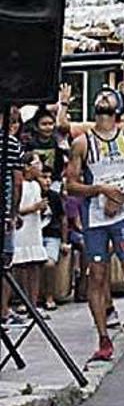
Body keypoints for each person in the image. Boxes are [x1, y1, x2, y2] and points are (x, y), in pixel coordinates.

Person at [66, 89, 124, 364]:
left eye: (109, 95)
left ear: (119, 106)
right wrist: (100, 189)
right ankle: (103, 339)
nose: (104, 97)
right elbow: (70, 184)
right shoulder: (82, 142)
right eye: (101, 94)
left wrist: (122, 195)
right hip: (95, 218)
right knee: (97, 276)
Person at [12, 153, 49, 318]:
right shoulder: (19, 185)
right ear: (27, 166)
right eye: (37, 163)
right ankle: (20, 302)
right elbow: (16, 209)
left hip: (34, 228)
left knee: (35, 265)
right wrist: (33, 208)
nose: (39, 166)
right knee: (20, 266)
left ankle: (33, 304)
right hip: (22, 229)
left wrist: (41, 208)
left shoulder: (36, 185)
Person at [0, 107, 24, 327]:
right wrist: (14, 213)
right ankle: (3, 311)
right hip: (4, 213)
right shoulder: (11, 143)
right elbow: (17, 181)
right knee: (6, 262)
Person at [38, 161, 66, 312]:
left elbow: (62, 219)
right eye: (44, 177)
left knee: (49, 263)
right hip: (34, 235)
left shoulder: (54, 197)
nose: (48, 181)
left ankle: (49, 296)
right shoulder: (30, 192)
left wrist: (64, 241)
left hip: (51, 235)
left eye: (49, 177)